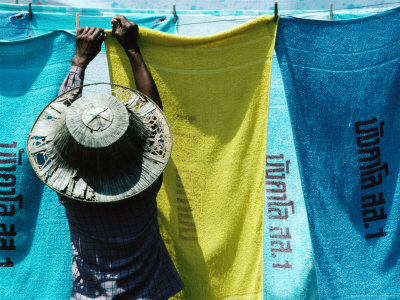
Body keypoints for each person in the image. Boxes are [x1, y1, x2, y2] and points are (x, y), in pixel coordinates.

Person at [57, 16, 183, 299]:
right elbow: (154, 119)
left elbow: (58, 122)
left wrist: (79, 62)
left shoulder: (68, 190)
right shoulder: (145, 183)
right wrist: (132, 50)